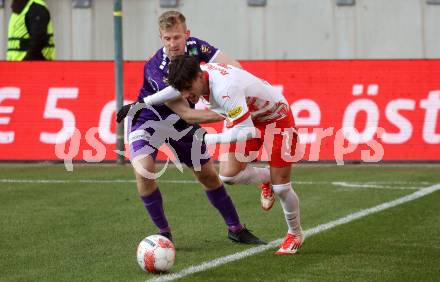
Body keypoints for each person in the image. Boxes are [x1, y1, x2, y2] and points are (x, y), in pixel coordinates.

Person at [117, 11, 265, 244]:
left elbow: (234, 66)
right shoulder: (156, 69)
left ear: (187, 34)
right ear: (161, 38)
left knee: (207, 175)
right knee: (144, 170)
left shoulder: (197, 48)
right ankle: (164, 234)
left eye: (177, 37)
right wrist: (231, 112)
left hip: (180, 124)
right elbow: (187, 113)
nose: (172, 44)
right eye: (167, 39)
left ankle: (236, 228)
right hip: (148, 119)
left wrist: (240, 92)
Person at [166, 55, 305, 255]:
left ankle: (295, 233)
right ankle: (268, 179)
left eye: (188, 88)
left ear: (199, 77)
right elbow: (168, 92)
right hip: (246, 117)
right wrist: (142, 102)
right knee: (228, 175)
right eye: (182, 91)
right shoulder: (195, 77)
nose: (186, 95)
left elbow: (246, 132)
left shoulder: (225, 89)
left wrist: (206, 139)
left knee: (283, 188)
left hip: (275, 118)